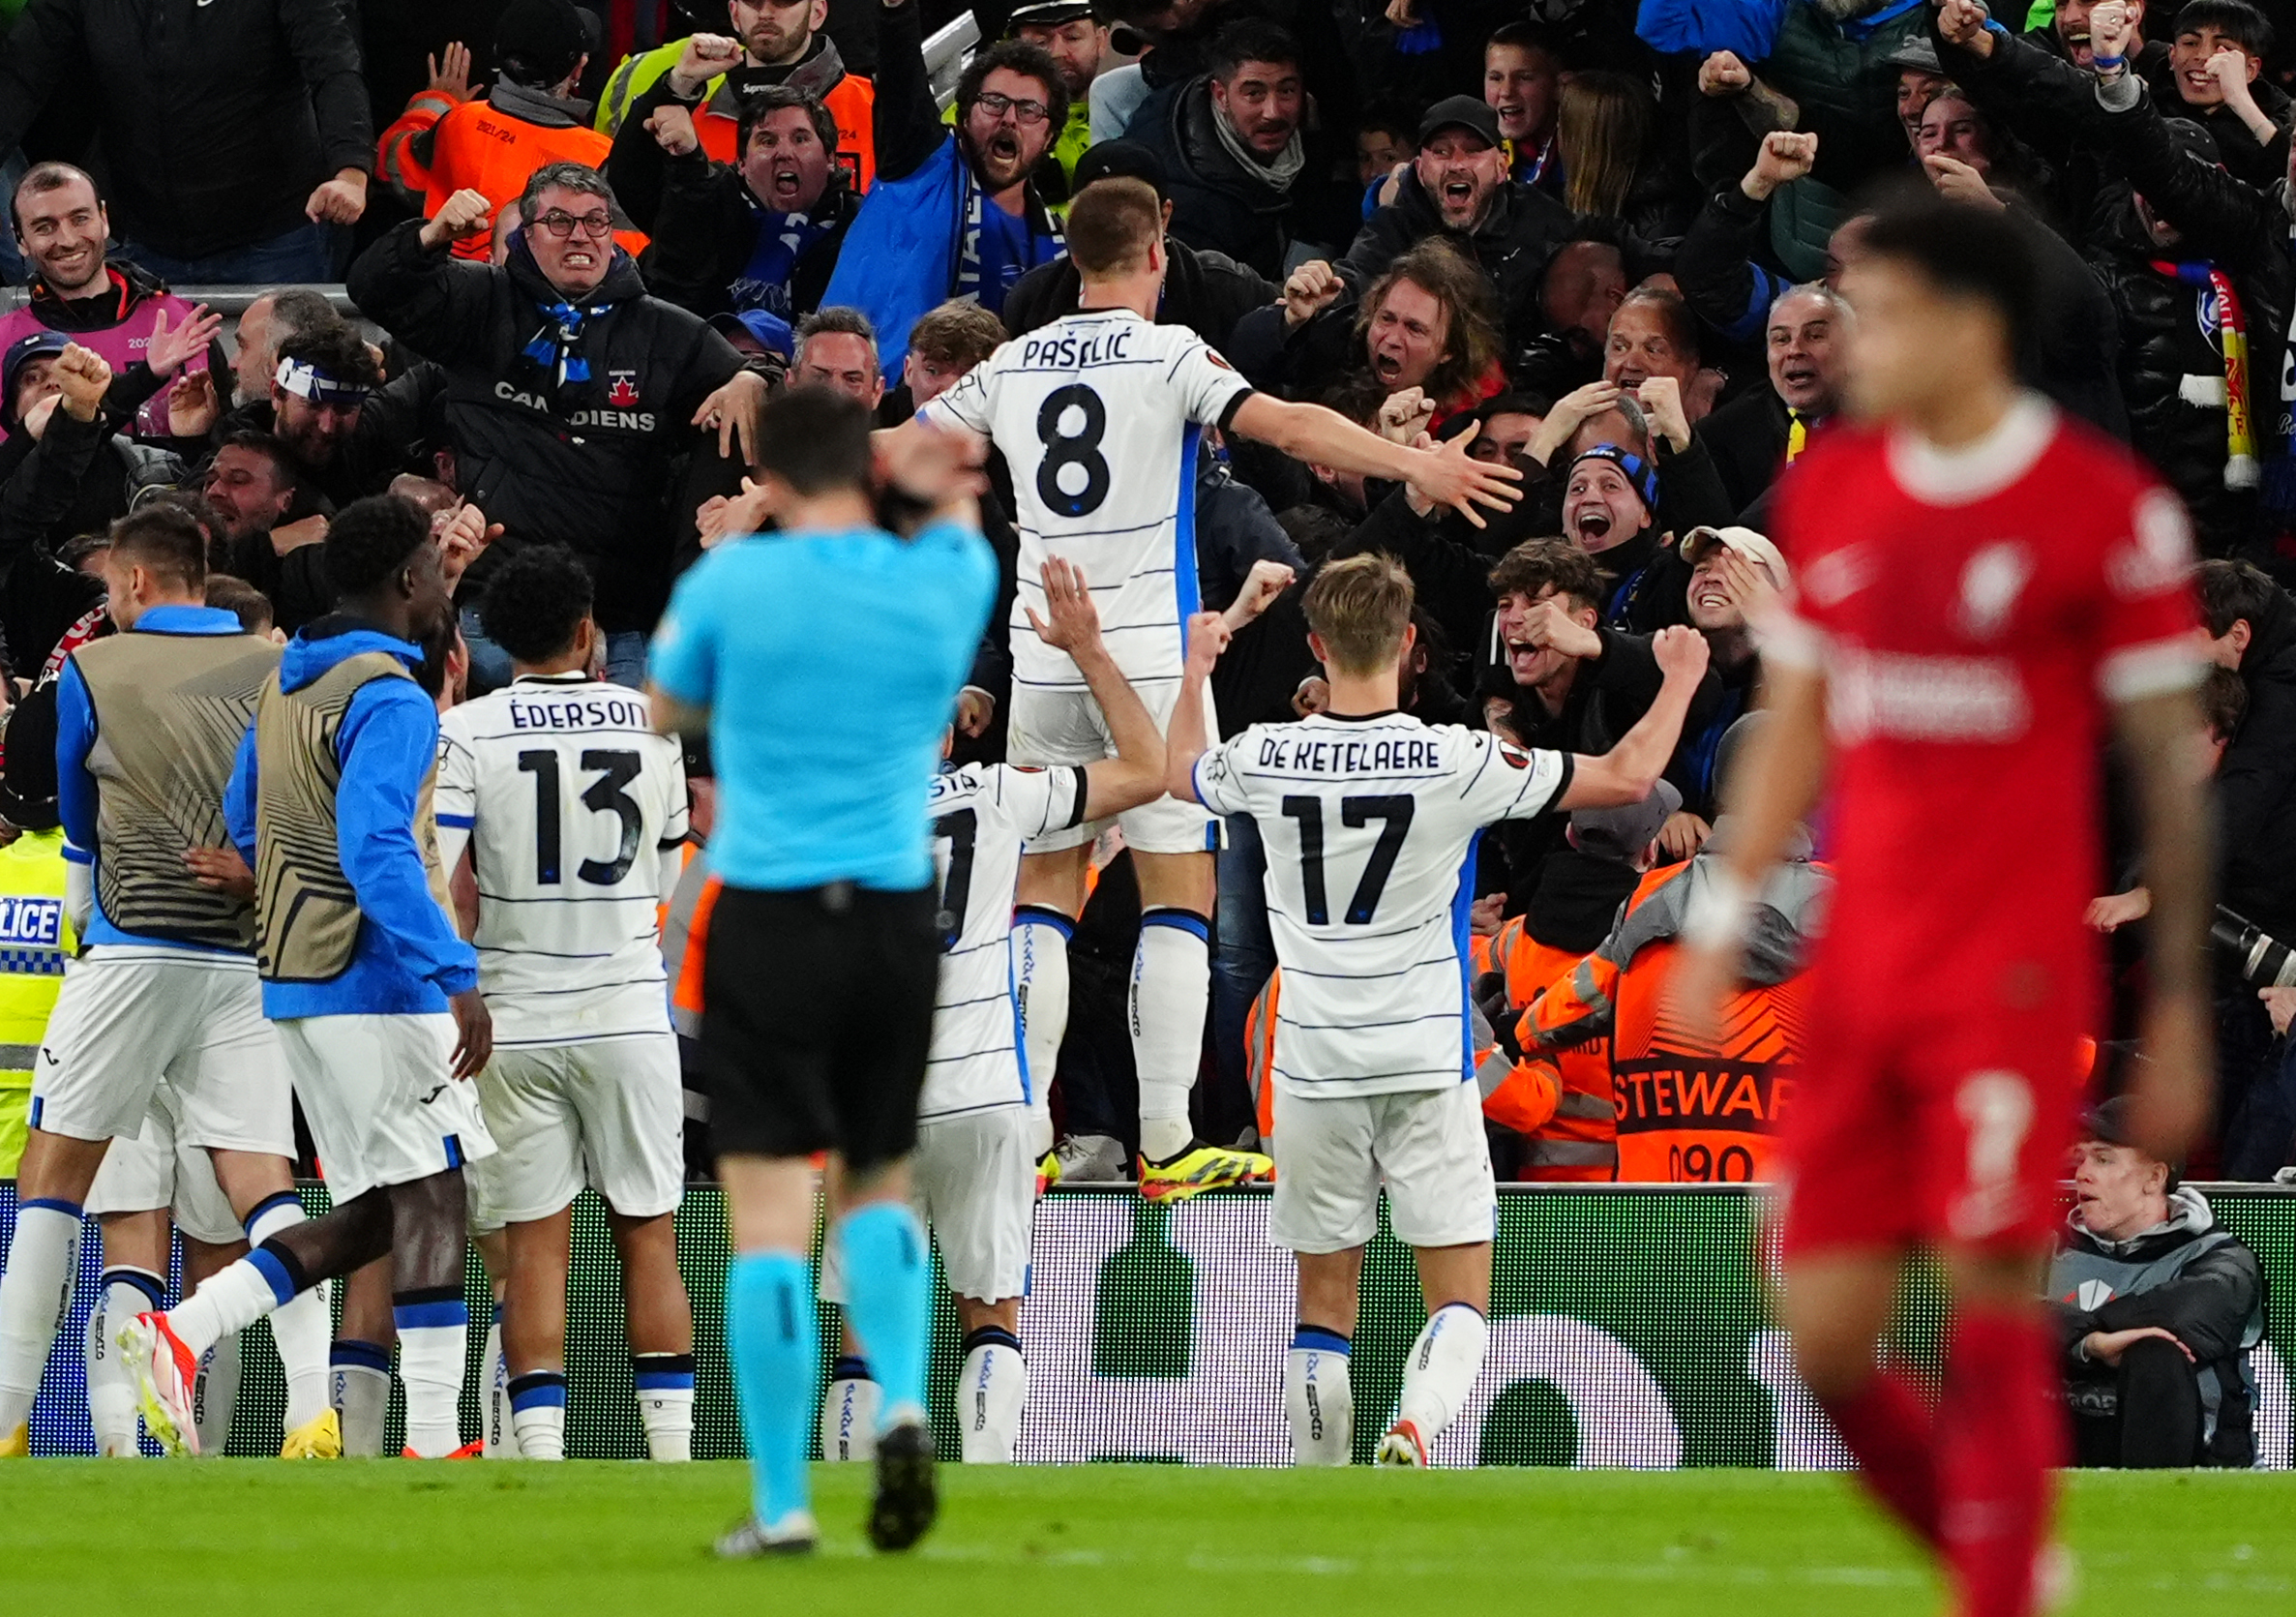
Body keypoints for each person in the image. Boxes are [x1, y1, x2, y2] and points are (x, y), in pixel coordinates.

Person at [1668, 194, 2214, 1617]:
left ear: (1969, 326)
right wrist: (1719, 920)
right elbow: (1803, 716)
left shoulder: (2104, 510)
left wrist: (2175, 1006)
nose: (1855, 341)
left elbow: (2169, 776)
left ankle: (1993, 1592)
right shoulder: (1842, 484)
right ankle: (2010, 1570)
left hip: (2011, 976)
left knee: (1988, 1312)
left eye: (1883, 312)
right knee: (1824, 1332)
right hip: (1864, 969)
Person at [896, 177, 1519, 1195]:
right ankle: (1169, 1141)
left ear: (1070, 252)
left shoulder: (1009, 363)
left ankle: (1032, 1139)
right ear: (1158, 248)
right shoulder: (1172, 351)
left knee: (1043, 896)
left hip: (1045, 648)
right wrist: (1425, 474)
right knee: (1175, 898)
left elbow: (891, 450)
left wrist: (768, 493)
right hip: (1145, 657)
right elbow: (1292, 428)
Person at [1168, 554, 1712, 1464]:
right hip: (1425, 1056)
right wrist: (1682, 677)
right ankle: (1416, 1424)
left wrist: (1196, 665)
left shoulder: (1265, 750)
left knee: (1322, 1306)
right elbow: (1625, 778)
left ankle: (1317, 1486)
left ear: (1315, 645)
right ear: (1410, 644)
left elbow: (1182, 770)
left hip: (1310, 1061)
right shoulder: (1453, 758)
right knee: (1458, 1296)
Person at [644, 385, 996, 1554]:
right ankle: (900, 1398)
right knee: (877, 1179)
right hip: (896, 914)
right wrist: (936, 495)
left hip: (769, 912)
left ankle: (787, 1502)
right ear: (869, 461)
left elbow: (666, 704)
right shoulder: (945, 579)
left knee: (768, 1218)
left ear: (767, 471)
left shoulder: (735, 583)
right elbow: (956, 520)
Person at [118, 495, 496, 1461]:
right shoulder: (393, 698)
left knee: (383, 1208)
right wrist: (453, 969)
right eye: (431, 567)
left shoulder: (288, 689)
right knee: (436, 1194)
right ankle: (438, 1440)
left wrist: (290, 893)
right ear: (410, 580)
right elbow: (377, 849)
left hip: (294, 980)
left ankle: (184, 1330)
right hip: (376, 983)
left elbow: (247, 818)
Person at [0, 508, 335, 1458]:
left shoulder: (95, 671)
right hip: (241, 956)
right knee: (266, 1190)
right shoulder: (279, 672)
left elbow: (78, 835)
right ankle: (310, 1411)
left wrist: (86, 923)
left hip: (132, 946)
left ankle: (8, 1417)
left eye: (109, 589)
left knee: (54, 1186)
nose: (108, 603)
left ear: (139, 583)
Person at [821, 557, 1171, 1463]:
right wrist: (1088, 652)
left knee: (864, 1322)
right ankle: (988, 1484)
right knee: (991, 1308)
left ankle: (850, 1520)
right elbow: (1146, 768)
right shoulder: (994, 792)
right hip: (984, 1090)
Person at [433, 544, 697, 1464]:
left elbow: (439, 868)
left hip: (510, 1012)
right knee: (648, 1230)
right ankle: (672, 1460)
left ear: (496, 640)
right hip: (626, 1008)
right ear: (589, 631)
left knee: (535, 1240)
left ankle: (539, 1459)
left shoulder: (468, 731)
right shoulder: (649, 721)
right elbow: (666, 865)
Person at [345, 164, 760, 683]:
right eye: (560, 221)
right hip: (496, 602)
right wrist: (431, 236)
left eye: (595, 221)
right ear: (527, 234)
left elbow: (766, 391)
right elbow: (372, 287)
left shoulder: (664, 331)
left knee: (645, 730)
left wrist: (755, 377)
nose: (580, 235)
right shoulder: (480, 303)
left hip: (615, 616)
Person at [0, 0, 373, 284]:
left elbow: (334, 66)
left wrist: (351, 171)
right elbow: (20, 77)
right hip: (143, 238)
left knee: (279, 383)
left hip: (275, 236)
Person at [820, 0, 1067, 369]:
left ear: (1050, 138)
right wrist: (896, 10)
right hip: (869, 398)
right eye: (994, 102)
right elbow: (902, 85)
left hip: (980, 412)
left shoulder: (1056, 242)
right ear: (964, 116)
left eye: (1029, 110)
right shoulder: (920, 164)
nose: (1009, 119)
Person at [2050, 1095, 2266, 1468]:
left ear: (2155, 1177)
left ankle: (2153, 1506)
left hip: (2198, 1475)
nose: (2082, 1173)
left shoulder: (2223, 1261)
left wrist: (2067, 1328)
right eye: (2082, 1158)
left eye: (2103, 1159)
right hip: (2061, 1458)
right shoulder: (2048, 1249)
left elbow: (2187, 1313)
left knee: (2154, 1353)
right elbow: (1998, 1315)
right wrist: (2093, 1344)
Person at [376, 1, 633, 264]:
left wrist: (437, 101)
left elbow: (393, 164)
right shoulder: (604, 155)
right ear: (579, 67)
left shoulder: (460, 122)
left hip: (457, 294)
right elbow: (627, 256)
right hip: (548, 302)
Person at [1329, 95, 1575, 355]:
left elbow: (1603, 232)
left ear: (1501, 166)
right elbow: (1353, 279)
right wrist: (1324, 297)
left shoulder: (1534, 212)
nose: (1457, 164)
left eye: (1472, 151)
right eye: (1441, 152)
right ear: (1421, 170)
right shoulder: (1393, 227)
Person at [0, 165, 223, 443]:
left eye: (80, 219)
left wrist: (196, 440)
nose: (67, 240)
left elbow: (226, 455)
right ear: (19, 239)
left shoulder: (184, 323)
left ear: (104, 219)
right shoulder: (3, 340)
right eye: (44, 227)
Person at [1001, 140, 1277, 353]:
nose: (1115, 227)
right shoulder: (1031, 299)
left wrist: (1292, 323)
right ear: (1070, 222)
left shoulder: (1226, 287)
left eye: (1131, 213)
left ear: (1164, 216)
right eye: (1098, 213)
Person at [597, 0, 878, 200]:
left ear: (817, 13)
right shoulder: (696, 121)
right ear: (734, 13)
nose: (766, 13)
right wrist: (678, 83)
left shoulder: (871, 105)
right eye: (753, 2)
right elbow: (628, 188)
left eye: (783, 2)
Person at [638, 86, 861, 322]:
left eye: (800, 139)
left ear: (830, 159)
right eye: (767, 141)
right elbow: (669, 298)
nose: (784, 153)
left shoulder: (860, 227)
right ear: (742, 163)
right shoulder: (712, 214)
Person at [1125, 18, 1317, 282]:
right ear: (1220, 95)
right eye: (1254, 94)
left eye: (1286, 91)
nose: (1272, 112)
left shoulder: (1318, 143)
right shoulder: (1182, 198)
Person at [1696, 283, 1851, 519]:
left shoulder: (1891, 422)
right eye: (1781, 339)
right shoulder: (1722, 436)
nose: (1794, 349)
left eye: (1815, 335)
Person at [1008, 0, 1110, 186]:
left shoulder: (1134, 112)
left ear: (1101, 40)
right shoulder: (979, 116)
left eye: (1072, 37)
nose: (1057, 52)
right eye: (1040, 42)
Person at [1483, 22, 1563, 189]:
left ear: (1559, 86)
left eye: (1524, 78)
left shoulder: (1583, 156)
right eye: (1496, 78)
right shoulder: (1474, 152)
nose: (1506, 91)